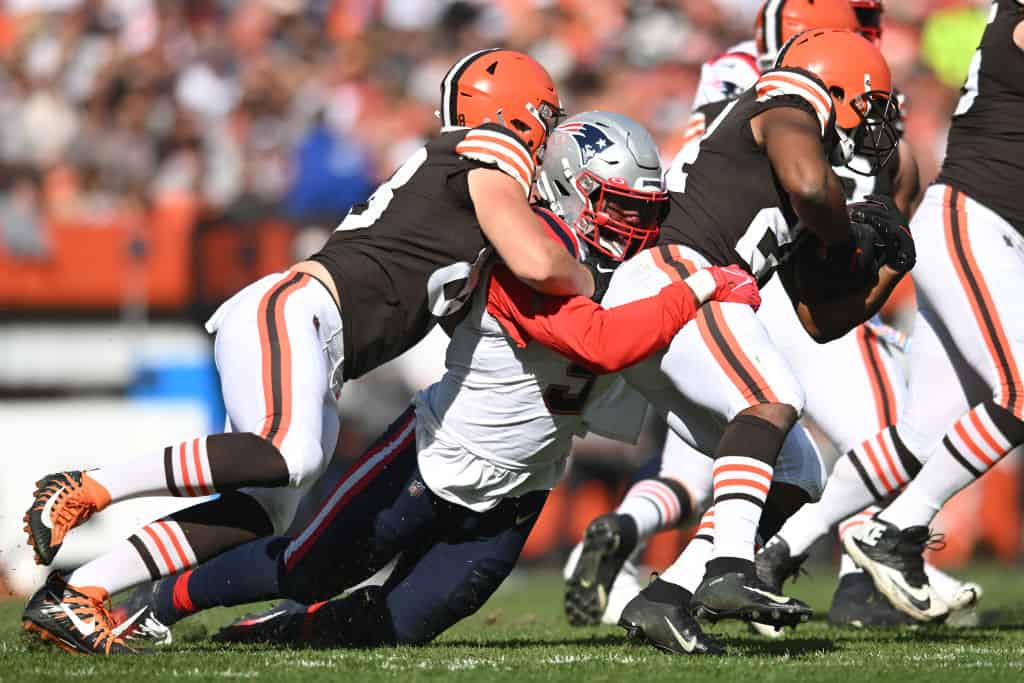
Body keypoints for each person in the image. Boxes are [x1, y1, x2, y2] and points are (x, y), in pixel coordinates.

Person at [104, 112, 760, 655]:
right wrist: (703, 285)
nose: (633, 226)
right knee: (309, 569)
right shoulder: (527, 256)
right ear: (568, 188)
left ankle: (270, 634)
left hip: (517, 493)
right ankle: (161, 596)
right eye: (616, 205)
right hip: (428, 462)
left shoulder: (636, 265)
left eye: (643, 210)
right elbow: (602, 340)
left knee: (399, 625)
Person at [20, 48, 595, 656]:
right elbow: (536, 261)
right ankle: (87, 487)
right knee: (290, 452)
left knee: (265, 511)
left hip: (319, 339)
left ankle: (79, 593)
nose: (550, 137)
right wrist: (590, 281)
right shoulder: (489, 149)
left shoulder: (462, 184)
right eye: (547, 119)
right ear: (517, 115)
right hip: (300, 310)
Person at [581, 29, 912, 653]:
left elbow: (823, 319)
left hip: (696, 296)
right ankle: (729, 569)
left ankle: (667, 598)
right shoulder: (787, 102)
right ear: (833, 87)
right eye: (869, 104)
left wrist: (889, 263)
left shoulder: (811, 181)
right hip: (674, 274)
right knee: (772, 393)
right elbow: (812, 188)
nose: (875, 124)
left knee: (796, 471)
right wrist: (850, 232)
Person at [840, 0, 1024, 623]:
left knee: (923, 430)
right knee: (1022, 392)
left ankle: (775, 556)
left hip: (984, 226)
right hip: (979, 220)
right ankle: (896, 530)